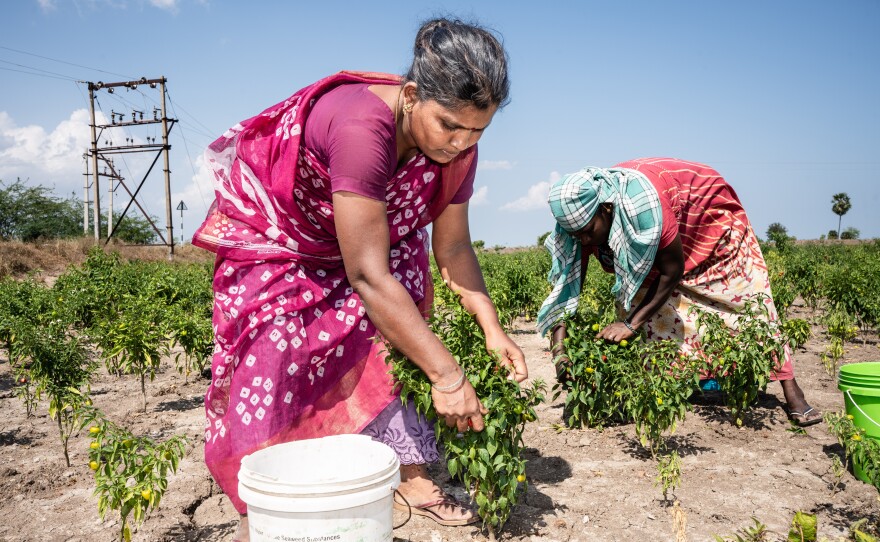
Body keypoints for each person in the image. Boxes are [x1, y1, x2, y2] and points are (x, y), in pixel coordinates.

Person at [191, 18, 528, 540]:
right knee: (277, 351)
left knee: (402, 324)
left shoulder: (457, 149)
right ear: (411, 96)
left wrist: (491, 325)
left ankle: (411, 476)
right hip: (286, 243)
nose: (461, 143)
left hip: (368, 243)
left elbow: (454, 247)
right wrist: (448, 377)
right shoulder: (361, 128)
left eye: (477, 131)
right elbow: (368, 275)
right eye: (449, 126)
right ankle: (268, 505)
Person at [536, 157, 821, 427]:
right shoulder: (576, 228)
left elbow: (671, 272)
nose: (583, 239)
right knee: (637, 302)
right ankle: (656, 387)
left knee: (745, 298)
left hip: (706, 219)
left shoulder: (642, 208)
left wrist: (630, 325)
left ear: (605, 209)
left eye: (588, 231)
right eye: (576, 235)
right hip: (666, 234)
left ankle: (791, 388)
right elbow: (565, 291)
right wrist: (560, 352)